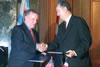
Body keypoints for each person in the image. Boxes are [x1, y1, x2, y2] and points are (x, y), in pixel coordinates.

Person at [38, 1, 92, 67]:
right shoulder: (61, 26)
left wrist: (75, 52)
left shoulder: (79, 22)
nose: (57, 14)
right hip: (65, 63)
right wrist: (46, 46)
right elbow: (56, 42)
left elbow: (87, 41)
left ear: (65, 9)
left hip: (79, 63)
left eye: (58, 11)